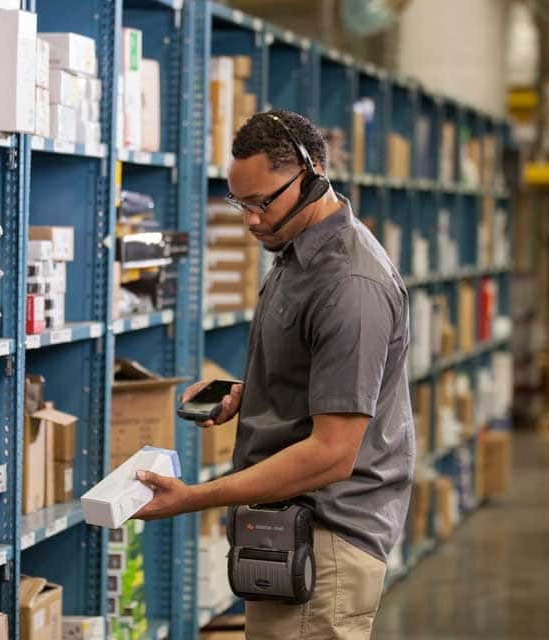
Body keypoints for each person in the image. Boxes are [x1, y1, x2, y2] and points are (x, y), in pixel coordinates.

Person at [133, 110, 414, 640]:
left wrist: (192, 498)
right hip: (288, 531)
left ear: (312, 177)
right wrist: (252, 393)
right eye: (241, 203)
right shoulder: (294, 253)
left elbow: (332, 453)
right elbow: (317, 375)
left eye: (263, 202)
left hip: (323, 544)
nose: (251, 220)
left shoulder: (349, 285)